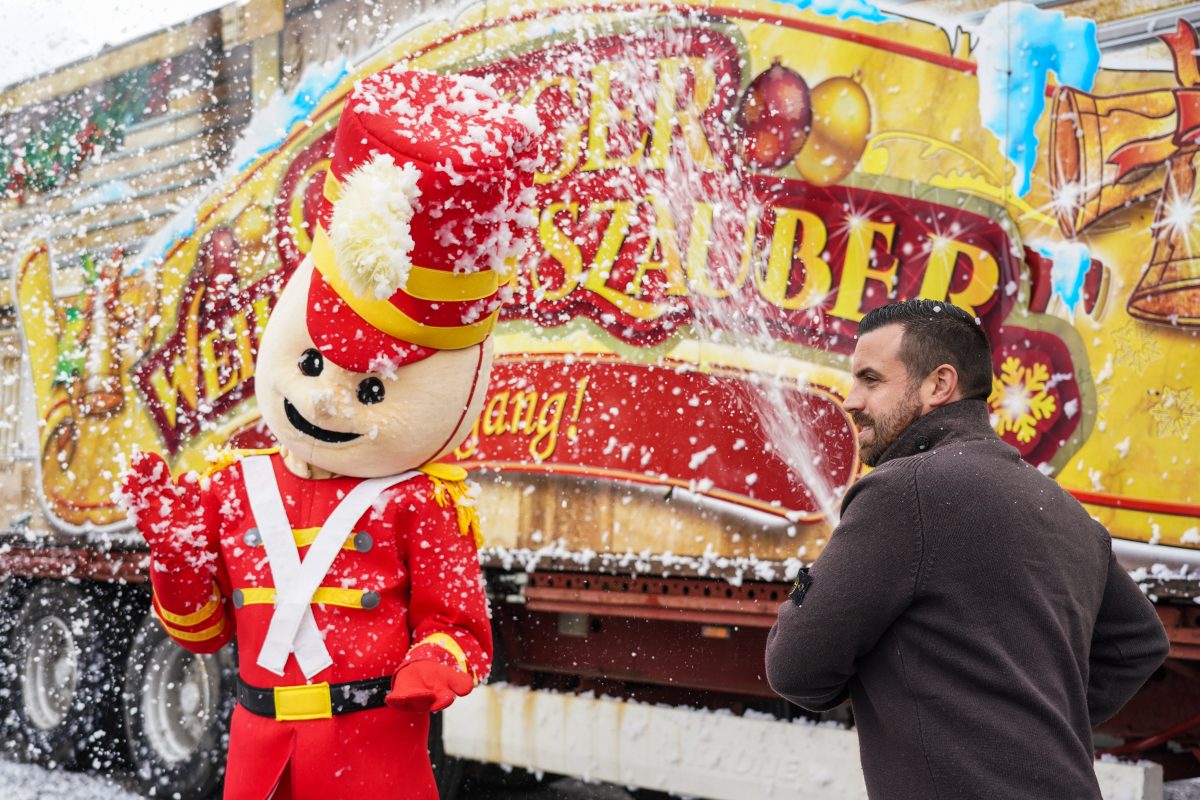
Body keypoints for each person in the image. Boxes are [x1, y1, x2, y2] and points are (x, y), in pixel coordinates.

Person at [765, 299, 1169, 799]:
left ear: (939, 384)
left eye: (871, 380)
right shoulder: (1064, 509)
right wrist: (1036, 726)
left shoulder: (903, 491)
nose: (851, 400)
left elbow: (796, 667)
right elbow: (1139, 643)